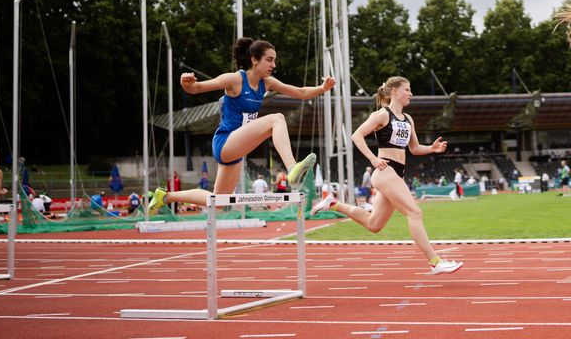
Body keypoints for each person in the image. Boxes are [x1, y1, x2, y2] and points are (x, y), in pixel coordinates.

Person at [147, 38, 335, 214]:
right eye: (269, 60)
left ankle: (166, 196)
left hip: (237, 150)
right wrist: (186, 82)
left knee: (218, 202)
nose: (273, 65)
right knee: (276, 119)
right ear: (254, 60)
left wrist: (322, 89)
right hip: (225, 142)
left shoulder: (266, 83)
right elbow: (196, 88)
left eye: (274, 61)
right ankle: (292, 167)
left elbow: (300, 92)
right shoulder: (235, 79)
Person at [311, 76, 463, 275]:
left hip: (396, 174)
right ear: (394, 92)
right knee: (415, 213)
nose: (411, 94)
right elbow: (356, 135)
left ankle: (332, 203)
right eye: (407, 90)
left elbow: (415, 148)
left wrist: (431, 149)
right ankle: (435, 261)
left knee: (374, 224)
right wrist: (373, 159)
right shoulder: (382, 115)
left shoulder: (408, 119)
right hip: (385, 171)